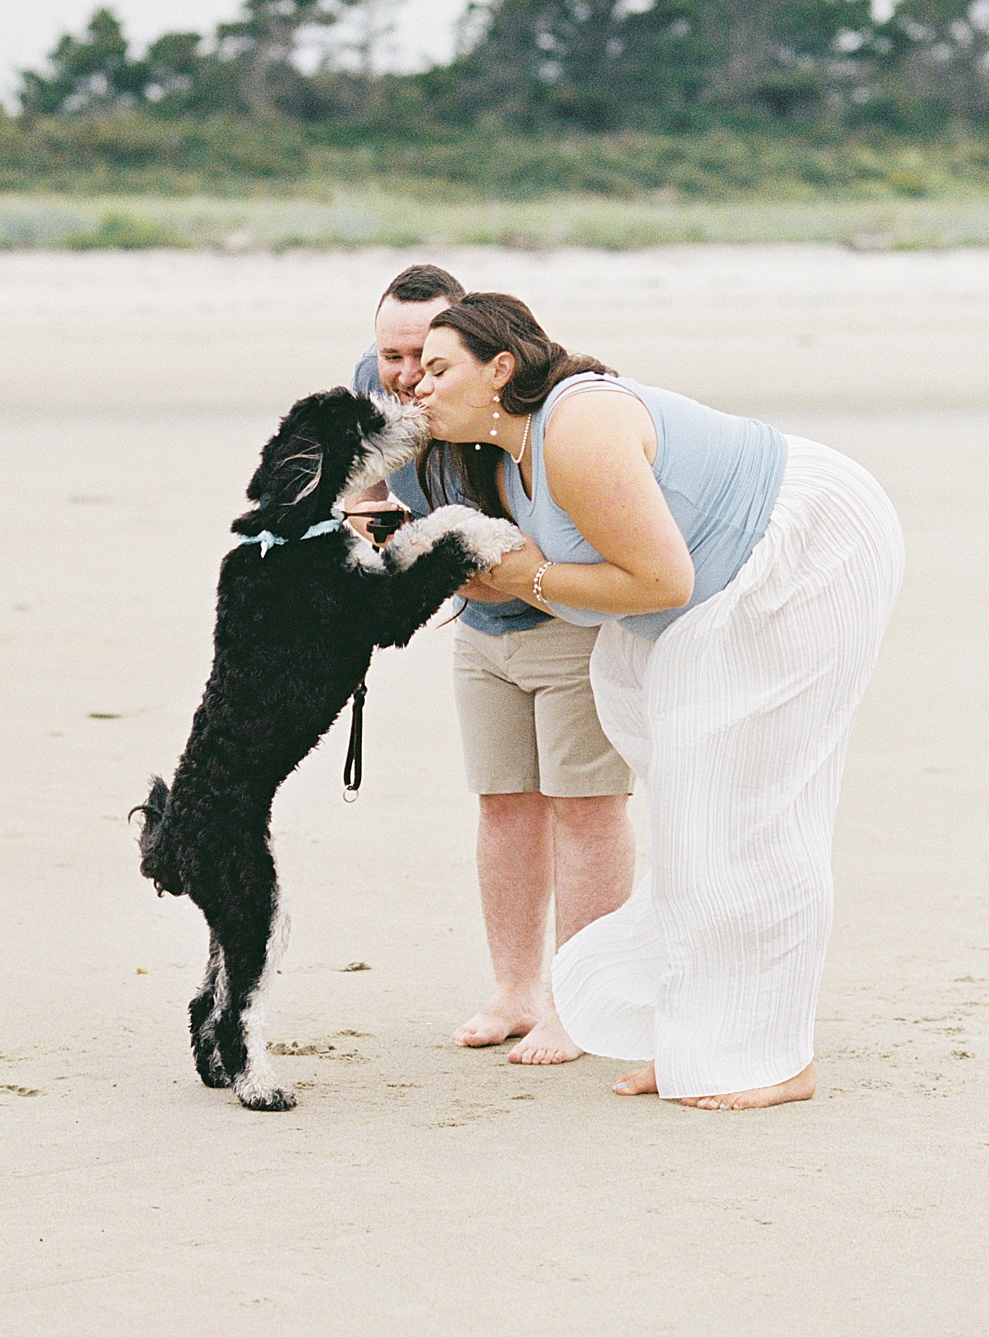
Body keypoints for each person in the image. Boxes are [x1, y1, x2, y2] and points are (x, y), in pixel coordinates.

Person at [413, 292, 904, 1109]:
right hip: (702, 607)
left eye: (437, 369)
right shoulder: (508, 462)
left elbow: (658, 578)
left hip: (803, 551)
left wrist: (522, 577)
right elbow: (592, 586)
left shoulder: (578, 427)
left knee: (751, 818)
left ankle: (781, 1059)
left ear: (501, 369)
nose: (418, 388)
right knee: (691, 831)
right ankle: (697, 1041)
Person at [346, 264, 635, 1064]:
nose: (407, 376)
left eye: (426, 358)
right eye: (392, 354)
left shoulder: (536, 405)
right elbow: (360, 490)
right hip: (477, 625)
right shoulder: (377, 382)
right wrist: (401, 552)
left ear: (473, 348)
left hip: (570, 620)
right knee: (503, 800)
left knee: (586, 807)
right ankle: (515, 989)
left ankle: (584, 1003)